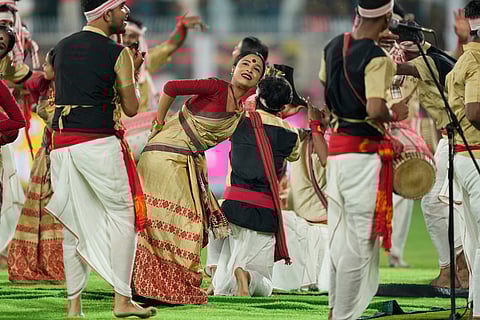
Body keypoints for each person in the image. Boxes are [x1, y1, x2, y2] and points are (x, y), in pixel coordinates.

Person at [43, 0, 155, 318]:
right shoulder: (118, 53)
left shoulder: (61, 48)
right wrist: (130, 70)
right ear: (107, 13)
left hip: (62, 145)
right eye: (122, 9)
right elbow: (132, 109)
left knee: (73, 224)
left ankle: (73, 306)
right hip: (98, 142)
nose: (126, 14)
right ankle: (122, 299)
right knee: (123, 217)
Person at [132, 51, 266, 305]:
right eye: (245, 63)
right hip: (163, 156)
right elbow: (171, 87)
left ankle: (161, 288)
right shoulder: (216, 87)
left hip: (185, 161)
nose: (249, 68)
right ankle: (152, 287)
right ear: (233, 69)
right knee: (178, 224)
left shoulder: (241, 111)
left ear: (258, 80)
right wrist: (159, 122)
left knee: (189, 225)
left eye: (256, 68)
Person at [320, 0, 409, 318]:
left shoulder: (333, 45)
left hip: (337, 153)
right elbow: (374, 109)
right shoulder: (377, 58)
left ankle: (334, 309)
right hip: (362, 156)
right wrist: (393, 113)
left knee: (340, 239)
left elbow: (324, 84)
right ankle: (344, 316)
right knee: (360, 244)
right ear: (387, 17)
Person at [213, 76, 299, 297]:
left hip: (232, 207)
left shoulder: (239, 120)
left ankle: (218, 278)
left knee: (225, 277)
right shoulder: (291, 133)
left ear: (258, 97)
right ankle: (248, 276)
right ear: (284, 106)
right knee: (264, 284)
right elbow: (294, 156)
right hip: (264, 212)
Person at [7, 49, 65, 282]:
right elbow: (15, 76)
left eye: (47, 64)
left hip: (66, 157)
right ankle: (32, 266)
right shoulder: (42, 83)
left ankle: (57, 267)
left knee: (56, 214)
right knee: (37, 211)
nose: (43, 68)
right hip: (46, 158)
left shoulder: (73, 88)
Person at [446, 1, 480, 318]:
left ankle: (474, 303)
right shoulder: (476, 60)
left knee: (474, 238)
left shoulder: (464, 60)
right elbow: (475, 111)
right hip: (477, 152)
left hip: (463, 155)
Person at [122, 15, 207, 112]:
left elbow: (171, 45)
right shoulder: (108, 65)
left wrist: (181, 29)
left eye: (132, 36)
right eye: (123, 35)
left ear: (139, 40)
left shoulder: (146, 61)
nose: (126, 40)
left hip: (145, 123)